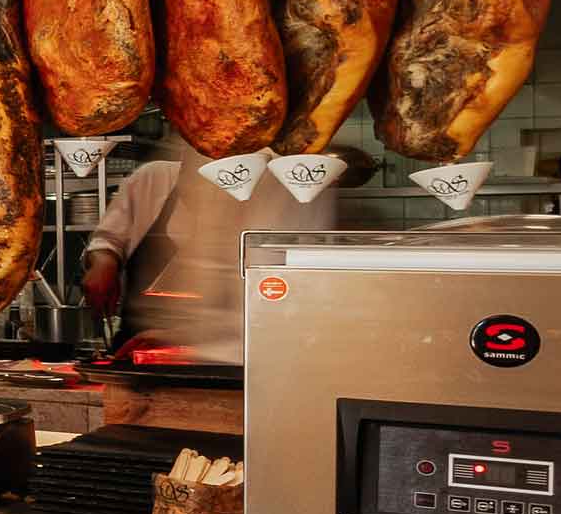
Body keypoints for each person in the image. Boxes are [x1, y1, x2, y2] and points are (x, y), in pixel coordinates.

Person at [82, 139, 372, 362]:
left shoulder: (289, 195)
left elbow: (279, 310)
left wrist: (178, 339)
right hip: (138, 354)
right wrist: (104, 262)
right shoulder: (152, 179)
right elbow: (108, 239)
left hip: (237, 363)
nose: (203, 197)